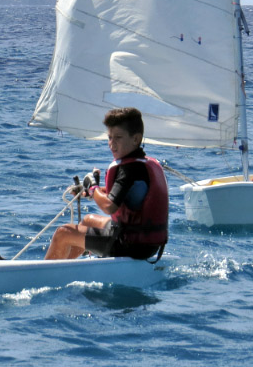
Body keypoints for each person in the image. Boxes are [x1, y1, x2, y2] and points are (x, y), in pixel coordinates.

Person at [44, 107, 168, 260]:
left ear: (136, 139)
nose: (111, 143)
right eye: (109, 137)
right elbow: (124, 194)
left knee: (63, 232)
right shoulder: (141, 164)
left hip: (129, 245)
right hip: (147, 244)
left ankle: (42, 275)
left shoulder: (128, 169)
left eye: (118, 137)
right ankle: (67, 265)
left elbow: (109, 206)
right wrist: (89, 191)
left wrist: (94, 187)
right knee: (88, 220)